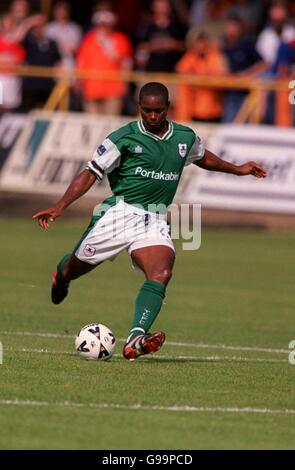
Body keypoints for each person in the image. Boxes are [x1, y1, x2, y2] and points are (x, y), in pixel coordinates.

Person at [33, 82, 267, 361]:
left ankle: (135, 338)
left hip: (154, 217)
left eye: (158, 110)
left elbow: (202, 157)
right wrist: (60, 206)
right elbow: (90, 173)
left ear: (168, 108)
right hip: (119, 214)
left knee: (162, 273)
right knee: (74, 267)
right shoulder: (123, 138)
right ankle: (61, 277)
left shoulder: (184, 136)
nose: (153, 116)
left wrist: (238, 170)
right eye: (147, 111)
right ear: (139, 108)